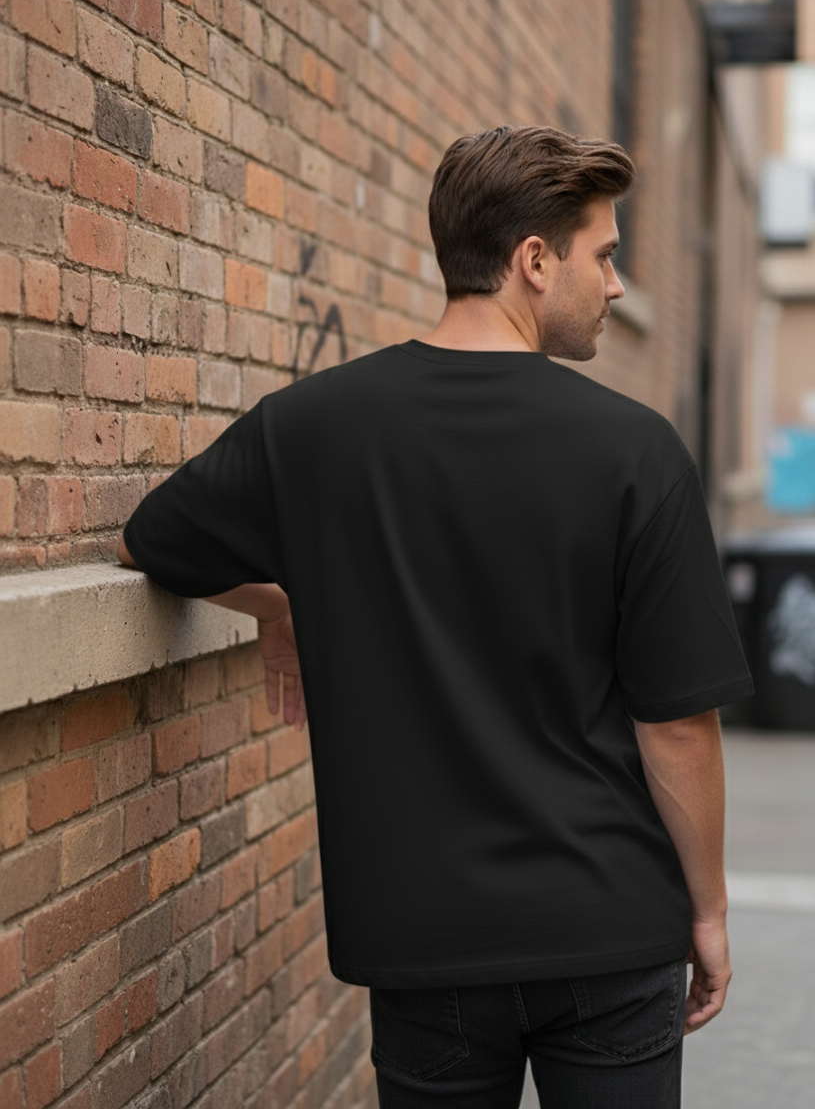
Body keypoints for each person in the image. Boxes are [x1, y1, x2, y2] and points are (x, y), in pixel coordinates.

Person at [118, 125, 753, 1108]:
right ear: (532, 262)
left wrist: (286, 598)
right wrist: (705, 911)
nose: (616, 286)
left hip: (423, 942)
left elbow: (155, 542)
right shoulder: (631, 451)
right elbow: (674, 723)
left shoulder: (312, 427)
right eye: (605, 255)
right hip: (604, 922)